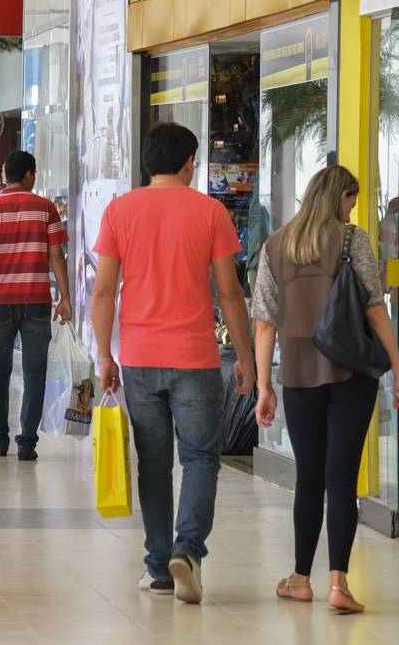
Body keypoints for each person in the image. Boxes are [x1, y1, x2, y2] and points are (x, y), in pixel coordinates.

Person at [90, 122, 254, 604]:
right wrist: (244, 356)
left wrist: (104, 354)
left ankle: (160, 567)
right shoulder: (210, 211)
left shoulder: (119, 211)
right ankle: (188, 551)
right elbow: (229, 292)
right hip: (197, 359)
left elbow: (103, 292)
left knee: (155, 465)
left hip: (139, 358)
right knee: (202, 458)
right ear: (188, 162)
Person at [252, 165, 399, 615]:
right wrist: (398, 372)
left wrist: (264, 386)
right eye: (351, 201)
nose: (353, 210)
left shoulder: (275, 245)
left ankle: (301, 579)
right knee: (341, 478)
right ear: (340, 196)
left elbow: (264, 321)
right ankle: (339, 584)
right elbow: (375, 309)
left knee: (309, 477)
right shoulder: (352, 239)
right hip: (352, 371)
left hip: (299, 374)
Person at [0, 151, 72, 462]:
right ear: (29, 175)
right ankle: (27, 442)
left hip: (0, 301)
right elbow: (56, 257)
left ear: (4, 174)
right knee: (34, 373)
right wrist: (65, 298)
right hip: (37, 300)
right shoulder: (45, 208)